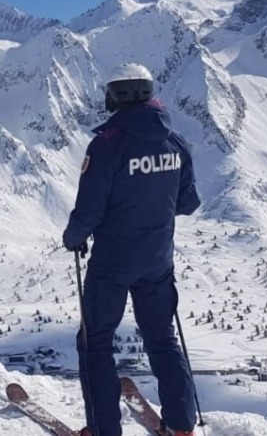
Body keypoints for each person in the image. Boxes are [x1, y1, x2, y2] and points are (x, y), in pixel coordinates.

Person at [62, 62, 202, 436]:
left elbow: (89, 210)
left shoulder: (107, 144)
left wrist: (73, 237)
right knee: (161, 337)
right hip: (157, 259)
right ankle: (183, 424)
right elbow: (188, 203)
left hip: (112, 262)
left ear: (115, 97)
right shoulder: (175, 142)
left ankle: (103, 428)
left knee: (95, 342)